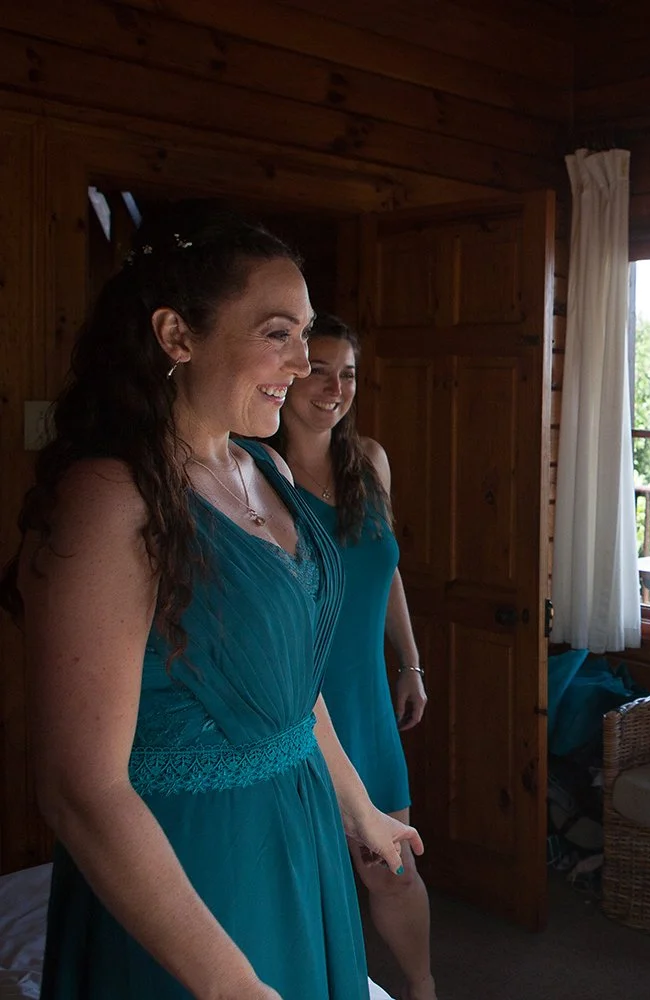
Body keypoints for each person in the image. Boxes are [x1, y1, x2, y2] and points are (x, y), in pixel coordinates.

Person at [0, 203, 422, 999]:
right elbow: (79, 789)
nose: (302, 365)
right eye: (277, 333)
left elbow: (291, 687)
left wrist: (359, 808)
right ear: (176, 336)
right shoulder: (109, 498)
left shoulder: (270, 473)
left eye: (305, 336)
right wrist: (235, 987)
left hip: (297, 832)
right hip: (192, 855)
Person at [267, 314, 436, 1000]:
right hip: (300, 700)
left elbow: (384, 565)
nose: (334, 387)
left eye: (348, 374)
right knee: (310, 874)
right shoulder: (258, 469)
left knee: (392, 865)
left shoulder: (369, 458)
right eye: (318, 369)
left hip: (365, 692)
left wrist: (411, 663)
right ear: (290, 375)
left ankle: (422, 990)